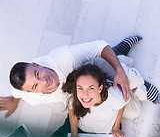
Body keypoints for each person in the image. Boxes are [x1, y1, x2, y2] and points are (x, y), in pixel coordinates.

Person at [0, 36, 146, 118]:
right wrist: (14, 102)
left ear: (37, 64)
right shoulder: (31, 97)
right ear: (31, 92)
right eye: (35, 86)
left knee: (122, 72)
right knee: (132, 112)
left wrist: (119, 70)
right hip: (85, 90)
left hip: (92, 70)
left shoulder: (66, 58)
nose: (43, 81)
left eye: (38, 74)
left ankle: (121, 58)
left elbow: (98, 46)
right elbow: (17, 92)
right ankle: (119, 59)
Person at [62, 64, 135, 137]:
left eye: (91, 88)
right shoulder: (74, 94)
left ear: (100, 88)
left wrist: (116, 127)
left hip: (107, 133)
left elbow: (123, 103)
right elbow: (72, 112)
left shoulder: (114, 95)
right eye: (80, 88)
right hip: (82, 131)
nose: (84, 95)